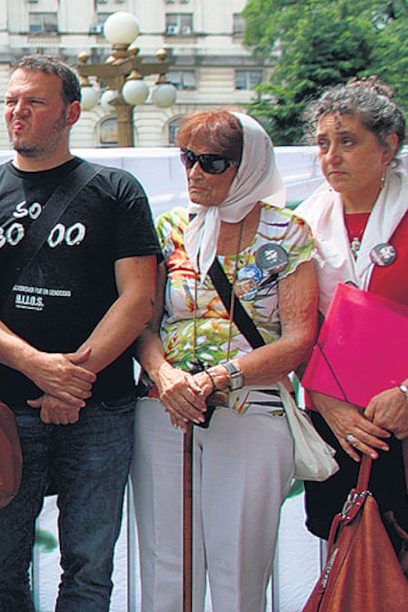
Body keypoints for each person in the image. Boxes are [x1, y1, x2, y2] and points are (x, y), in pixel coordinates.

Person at [0, 54, 159, 612]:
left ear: (72, 113)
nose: (18, 112)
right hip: (5, 408)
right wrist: (37, 367)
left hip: (101, 408)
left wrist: (72, 378)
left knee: (88, 569)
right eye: (12, 101)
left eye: (35, 102)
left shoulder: (116, 190)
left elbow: (138, 298)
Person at [130, 110, 318, 611]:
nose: (194, 173)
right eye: (188, 158)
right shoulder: (170, 228)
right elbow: (144, 325)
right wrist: (164, 374)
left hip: (250, 407)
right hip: (165, 406)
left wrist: (220, 376)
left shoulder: (289, 234)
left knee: (239, 566)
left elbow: (300, 338)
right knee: (164, 562)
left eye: (212, 163)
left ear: (249, 165)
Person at [297, 79, 408, 539]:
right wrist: (330, 405)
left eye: (348, 141)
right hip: (334, 418)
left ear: (388, 147)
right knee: (347, 559)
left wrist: (406, 394)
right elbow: (289, 325)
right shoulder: (302, 222)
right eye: (323, 143)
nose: (331, 156)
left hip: (400, 416)